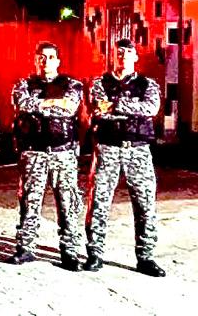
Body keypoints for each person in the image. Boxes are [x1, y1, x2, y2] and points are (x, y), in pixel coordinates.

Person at [84, 38, 165, 277]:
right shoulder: (99, 83)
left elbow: (151, 109)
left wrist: (115, 105)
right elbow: (99, 112)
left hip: (138, 149)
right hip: (108, 148)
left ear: (135, 57)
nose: (123, 56)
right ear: (113, 56)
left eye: (128, 52)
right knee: (98, 203)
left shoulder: (148, 84)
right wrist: (131, 108)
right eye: (119, 52)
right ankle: (95, 254)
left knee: (145, 204)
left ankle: (146, 257)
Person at [4, 41, 85, 271]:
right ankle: (25, 248)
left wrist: (39, 106)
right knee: (29, 201)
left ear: (58, 61)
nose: (45, 61)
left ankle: (69, 252)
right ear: (35, 59)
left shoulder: (72, 84)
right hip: (34, 152)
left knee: (68, 203)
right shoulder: (23, 85)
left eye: (50, 57)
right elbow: (23, 104)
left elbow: (70, 107)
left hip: (63, 152)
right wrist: (53, 103)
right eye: (41, 57)